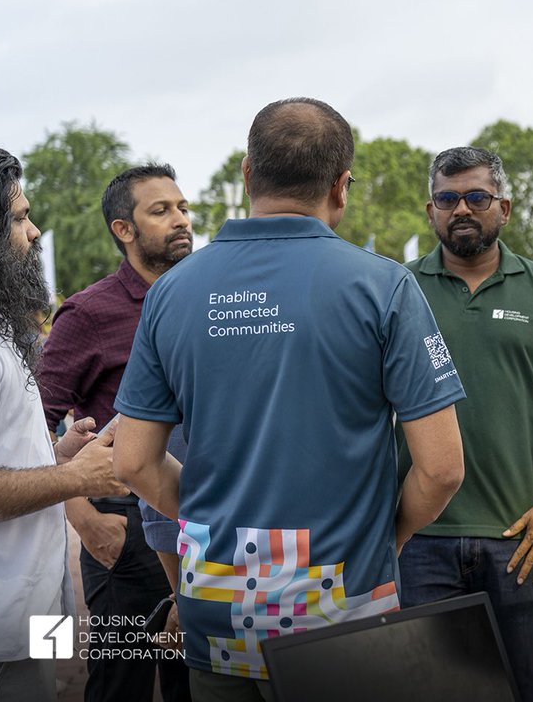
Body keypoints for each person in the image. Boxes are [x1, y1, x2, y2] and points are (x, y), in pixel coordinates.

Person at [112, 98, 466, 701]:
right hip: (344, 605)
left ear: (248, 174)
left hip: (218, 606)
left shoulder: (171, 292)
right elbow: (441, 469)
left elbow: (132, 462)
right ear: (341, 185)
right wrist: (385, 537)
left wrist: (207, 519)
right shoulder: (384, 287)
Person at [397, 146, 533, 702]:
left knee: (516, 685)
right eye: (447, 198)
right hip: (417, 533)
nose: (461, 209)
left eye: (477, 197)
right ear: (430, 210)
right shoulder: (395, 289)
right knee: (430, 687)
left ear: (504, 208)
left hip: (519, 534)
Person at [39, 164, 193, 702]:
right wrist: (83, 518)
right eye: (161, 211)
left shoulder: (208, 300)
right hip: (122, 538)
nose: (180, 220)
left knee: (193, 681)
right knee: (117, 684)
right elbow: (31, 425)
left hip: (197, 525)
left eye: (182, 208)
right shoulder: (86, 314)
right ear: (123, 229)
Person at [0, 145, 128, 702]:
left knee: (58, 687)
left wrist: (59, 455)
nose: (35, 231)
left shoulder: (2, 330)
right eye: (19, 218)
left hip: (37, 608)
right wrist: (76, 480)